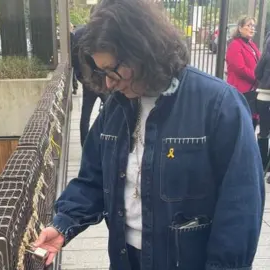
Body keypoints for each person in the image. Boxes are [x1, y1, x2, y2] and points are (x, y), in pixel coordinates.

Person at [33, 1, 265, 270]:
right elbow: (92, 180)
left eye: (113, 70)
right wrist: (64, 224)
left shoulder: (218, 104)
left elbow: (241, 208)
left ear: (143, 50)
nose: (108, 83)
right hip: (125, 258)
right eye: (102, 72)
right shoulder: (115, 108)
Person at [72, 5, 110, 147]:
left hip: (88, 81)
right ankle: (106, 140)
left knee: (86, 114)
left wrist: (80, 77)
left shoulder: (80, 33)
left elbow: (74, 58)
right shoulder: (104, 33)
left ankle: (84, 145)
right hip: (103, 81)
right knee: (111, 110)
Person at [226, 16, 261, 130]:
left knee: (253, 122)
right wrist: (257, 78)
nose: (251, 28)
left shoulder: (252, 45)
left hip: (253, 90)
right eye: (248, 25)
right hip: (241, 90)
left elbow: (259, 63)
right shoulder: (235, 45)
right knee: (242, 124)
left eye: (253, 26)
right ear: (240, 28)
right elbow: (239, 69)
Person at [255, 31, 270, 183]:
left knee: (264, 132)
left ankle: (261, 164)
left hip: (264, 95)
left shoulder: (266, 51)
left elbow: (257, 72)